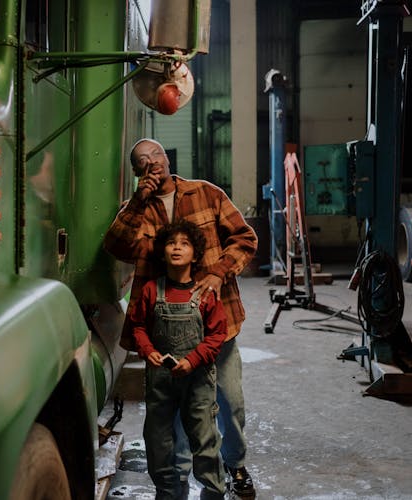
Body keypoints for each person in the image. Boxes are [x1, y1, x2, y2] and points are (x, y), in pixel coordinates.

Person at [103, 138, 258, 499]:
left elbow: (244, 238)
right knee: (176, 413)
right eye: (142, 160)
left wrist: (220, 271)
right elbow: (116, 246)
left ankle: (234, 465)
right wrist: (140, 200)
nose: (151, 163)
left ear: (167, 158)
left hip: (218, 322)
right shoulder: (135, 210)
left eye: (155, 155)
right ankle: (179, 481)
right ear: (137, 171)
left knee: (229, 401)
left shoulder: (207, 193)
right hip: (168, 331)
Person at [129, 220, 227, 499]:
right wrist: (149, 351)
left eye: (185, 244)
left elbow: (217, 335)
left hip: (197, 380)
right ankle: (167, 490)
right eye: (172, 243)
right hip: (160, 379)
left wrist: (193, 360)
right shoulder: (151, 290)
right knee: (157, 439)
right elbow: (138, 326)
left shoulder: (206, 293)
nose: (177, 248)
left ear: (195, 255)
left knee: (205, 440)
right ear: (163, 252)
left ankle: (213, 491)